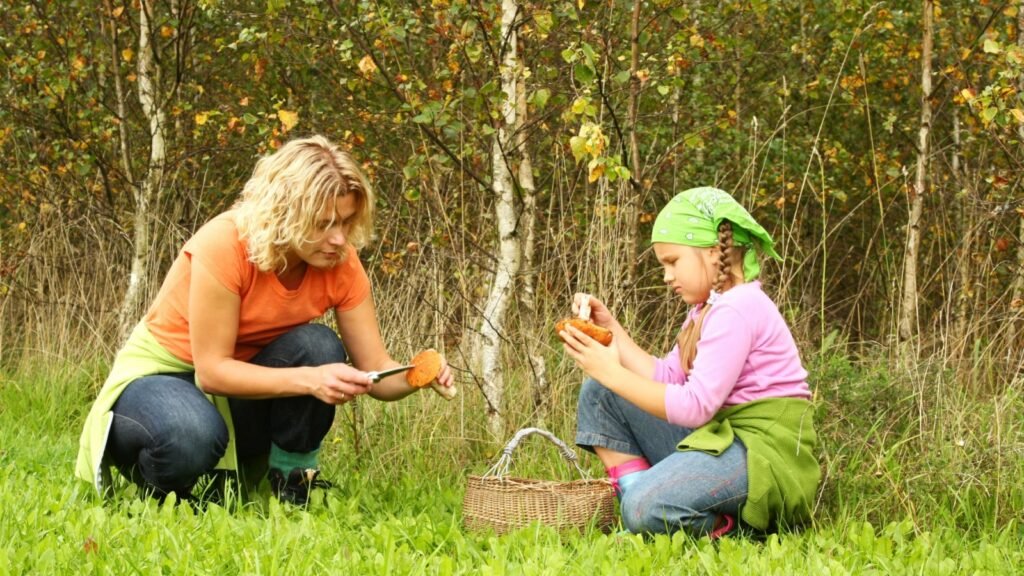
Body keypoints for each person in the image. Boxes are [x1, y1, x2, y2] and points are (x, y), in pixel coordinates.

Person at [76, 135, 454, 505]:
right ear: (285, 213)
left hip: (236, 390)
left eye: (346, 221)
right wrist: (311, 380)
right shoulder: (225, 244)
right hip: (160, 379)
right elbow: (211, 371)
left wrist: (416, 375)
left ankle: (290, 491)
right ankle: (163, 491)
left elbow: (376, 372)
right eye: (323, 224)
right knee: (189, 431)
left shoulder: (339, 262)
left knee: (318, 346)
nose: (339, 239)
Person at [559, 186, 819, 538]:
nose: (667, 276)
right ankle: (643, 499)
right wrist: (613, 331)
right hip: (724, 437)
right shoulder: (707, 308)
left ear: (713, 253)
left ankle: (728, 526)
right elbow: (670, 377)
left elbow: (695, 406)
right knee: (600, 392)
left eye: (672, 262)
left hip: (763, 456)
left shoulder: (738, 308)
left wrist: (612, 371)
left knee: (644, 508)